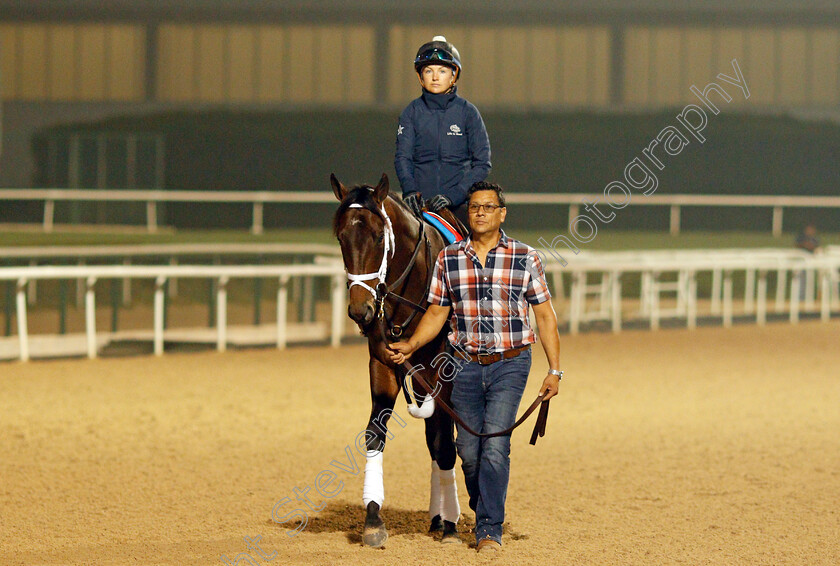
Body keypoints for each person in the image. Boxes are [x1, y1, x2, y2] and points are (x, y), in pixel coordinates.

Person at [388, 181, 562, 553]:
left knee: (495, 445)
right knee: (468, 450)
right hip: (463, 366)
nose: (480, 212)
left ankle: (488, 529)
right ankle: (484, 508)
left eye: (488, 207)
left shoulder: (525, 256)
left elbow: (545, 316)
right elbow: (437, 312)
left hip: (510, 364)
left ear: (502, 213)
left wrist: (555, 370)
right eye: (474, 208)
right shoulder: (449, 259)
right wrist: (412, 345)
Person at [395, 35, 492, 228]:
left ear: (453, 75)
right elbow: (403, 158)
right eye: (428, 70)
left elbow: (482, 163)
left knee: (487, 247)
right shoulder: (411, 112)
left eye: (442, 70)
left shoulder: (468, 113)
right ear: (420, 76)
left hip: (459, 207)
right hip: (419, 207)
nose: (435, 77)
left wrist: (453, 196)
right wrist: (410, 191)